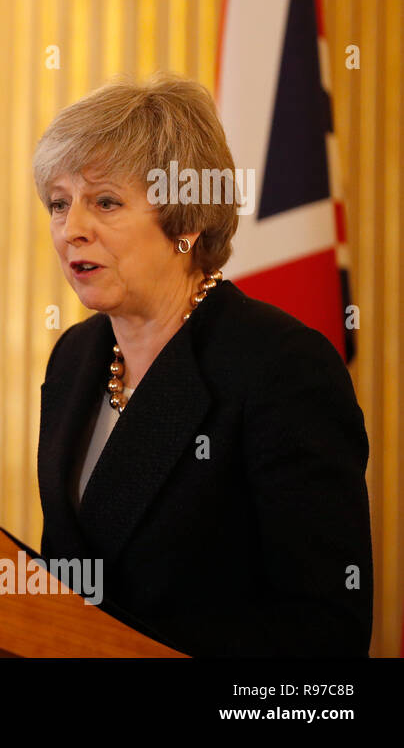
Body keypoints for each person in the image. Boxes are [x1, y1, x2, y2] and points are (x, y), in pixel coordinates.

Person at [33, 75, 372, 656]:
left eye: (105, 202)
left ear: (186, 222)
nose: (72, 230)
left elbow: (325, 629)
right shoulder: (74, 358)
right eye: (60, 203)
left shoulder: (281, 368)